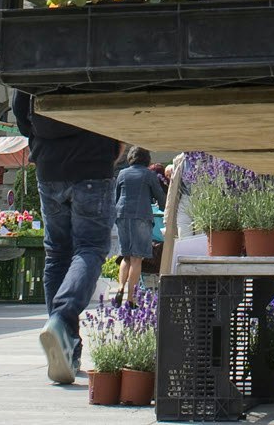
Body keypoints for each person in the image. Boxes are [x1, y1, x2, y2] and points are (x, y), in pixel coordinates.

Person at [13, 88, 123, 385]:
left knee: (57, 254)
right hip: (92, 158)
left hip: (48, 165)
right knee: (90, 248)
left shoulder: (31, 49)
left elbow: (20, 106)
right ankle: (61, 320)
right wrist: (115, 145)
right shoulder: (93, 44)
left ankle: (66, 347)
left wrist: (38, 141)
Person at [114, 148, 165, 306]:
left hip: (122, 215)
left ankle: (120, 287)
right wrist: (165, 208)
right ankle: (131, 298)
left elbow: (116, 196)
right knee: (137, 258)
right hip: (141, 216)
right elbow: (159, 196)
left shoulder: (122, 173)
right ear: (146, 159)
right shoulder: (148, 174)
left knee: (126, 256)